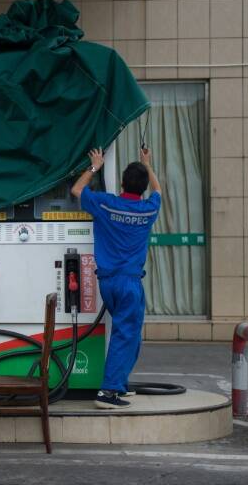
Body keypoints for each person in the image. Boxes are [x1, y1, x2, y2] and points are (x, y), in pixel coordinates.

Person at [70, 147, 162, 409]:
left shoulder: (106, 203)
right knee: (126, 335)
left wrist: (94, 167)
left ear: (122, 182)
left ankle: (118, 383)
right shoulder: (147, 209)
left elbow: (76, 190)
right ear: (142, 187)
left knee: (126, 334)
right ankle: (108, 391)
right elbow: (158, 192)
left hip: (107, 281)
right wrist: (148, 164)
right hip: (129, 283)